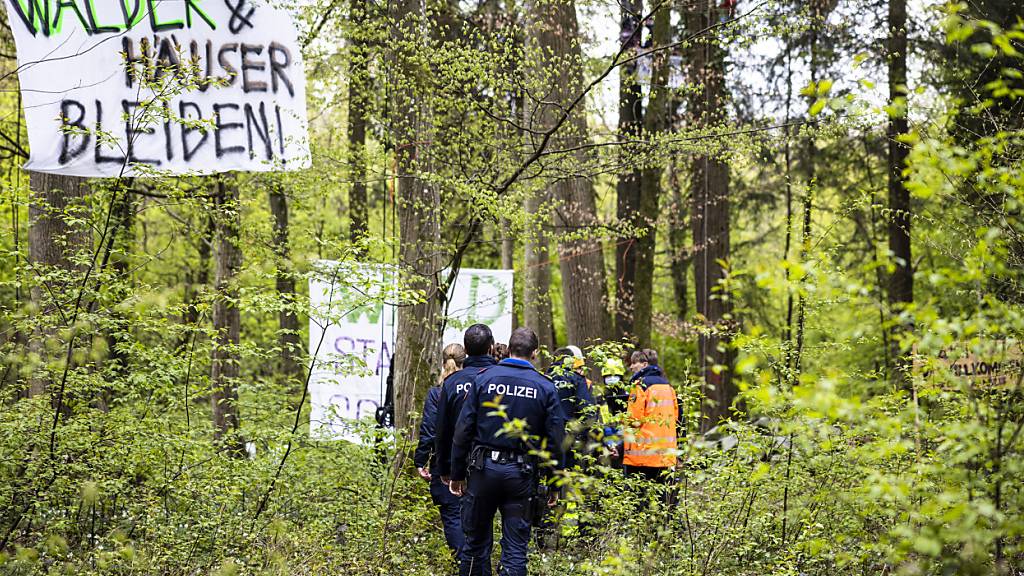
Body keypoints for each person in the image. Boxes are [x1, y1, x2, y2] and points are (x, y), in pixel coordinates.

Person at [449, 327, 565, 576]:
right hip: (521, 476)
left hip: (482, 472)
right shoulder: (545, 387)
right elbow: (555, 442)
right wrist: (555, 484)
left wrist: (457, 473)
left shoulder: (484, 379)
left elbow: (463, 430)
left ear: (508, 349)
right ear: (534, 353)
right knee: (515, 550)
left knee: (475, 545)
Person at [435, 324, 498, 574]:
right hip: (497, 465)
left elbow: (443, 431)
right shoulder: (500, 378)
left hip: (465, 466)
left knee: (474, 534)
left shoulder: (452, 383)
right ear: (491, 347)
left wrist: (446, 469)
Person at [414, 342, 466, 559]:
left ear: (442, 362)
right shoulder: (477, 387)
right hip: (475, 464)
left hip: (445, 464)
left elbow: (429, 429)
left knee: (453, 516)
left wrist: (421, 461)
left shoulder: (437, 393)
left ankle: (464, 563)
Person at [622, 350, 678, 485]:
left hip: (642, 456)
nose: (631, 367)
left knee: (639, 500)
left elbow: (633, 420)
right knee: (663, 500)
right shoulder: (668, 386)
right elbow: (676, 418)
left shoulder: (640, 386)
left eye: (634, 363)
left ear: (644, 365)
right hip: (666, 455)